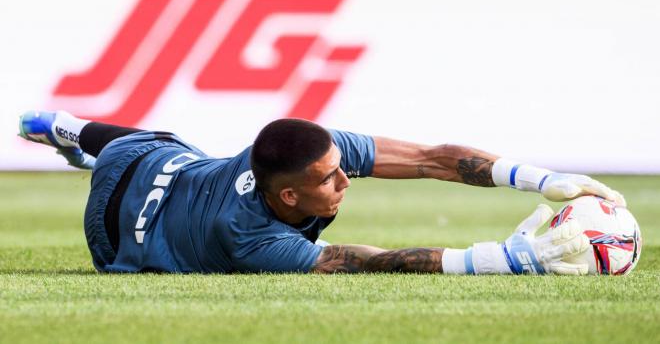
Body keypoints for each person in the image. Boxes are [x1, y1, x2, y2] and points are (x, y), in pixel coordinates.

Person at [18, 110, 625, 275]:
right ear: (286, 201)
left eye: (343, 168)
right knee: (131, 153)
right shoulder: (248, 236)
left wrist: (538, 178)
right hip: (119, 235)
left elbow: (426, 158)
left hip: (153, 160)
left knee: (145, 142)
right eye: (331, 180)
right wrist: (503, 261)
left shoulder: (312, 148)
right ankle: (74, 141)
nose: (345, 179)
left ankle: (62, 127)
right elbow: (367, 261)